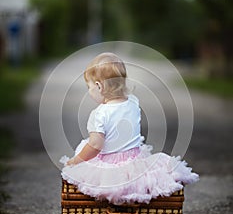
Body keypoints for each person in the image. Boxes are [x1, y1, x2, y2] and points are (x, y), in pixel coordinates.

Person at [60, 52, 199, 204]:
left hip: (109, 165)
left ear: (99, 86)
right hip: (134, 160)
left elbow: (95, 145)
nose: (89, 91)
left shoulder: (99, 114)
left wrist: (75, 161)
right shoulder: (133, 102)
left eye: (89, 87)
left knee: (84, 151)